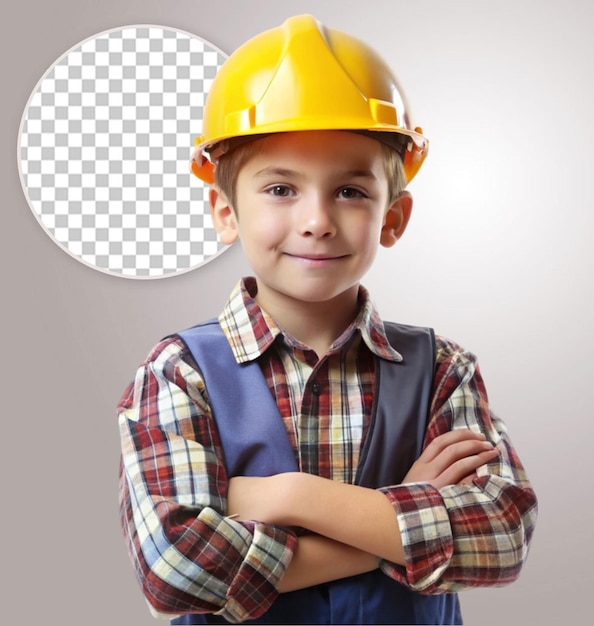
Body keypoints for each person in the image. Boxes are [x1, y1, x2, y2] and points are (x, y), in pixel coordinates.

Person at [118, 14, 538, 625]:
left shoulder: (442, 369)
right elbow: (177, 569)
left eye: (350, 191)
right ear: (224, 210)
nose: (316, 219)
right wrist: (397, 516)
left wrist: (293, 496)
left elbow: (502, 536)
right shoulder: (179, 374)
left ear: (393, 218)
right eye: (281, 189)